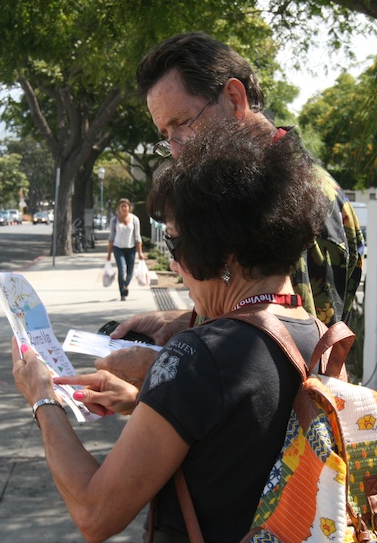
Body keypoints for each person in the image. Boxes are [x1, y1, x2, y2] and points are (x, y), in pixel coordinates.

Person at [11, 120, 327, 543]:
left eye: (176, 242)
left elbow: (95, 514)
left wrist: (41, 397)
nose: (175, 262)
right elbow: (240, 438)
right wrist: (147, 402)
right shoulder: (314, 333)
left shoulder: (199, 355)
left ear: (224, 251)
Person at [99, 32, 363, 374]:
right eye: (166, 135)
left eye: (182, 124)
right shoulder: (243, 192)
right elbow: (253, 311)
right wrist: (180, 323)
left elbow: (296, 362)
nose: (177, 149)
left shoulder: (303, 199)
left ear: (235, 98)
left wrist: (162, 372)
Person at [106, 198, 145, 301]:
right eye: (122, 206)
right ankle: (122, 292)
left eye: (126, 206)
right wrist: (109, 253)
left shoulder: (134, 219)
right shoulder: (114, 220)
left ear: (129, 207)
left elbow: (137, 237)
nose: (124, 208)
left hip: (131, 248)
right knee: (122, 269)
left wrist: (140, 252)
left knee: (130, 272)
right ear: (119, 208)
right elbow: (111, 237)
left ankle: (126, 285)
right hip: (118, 248)